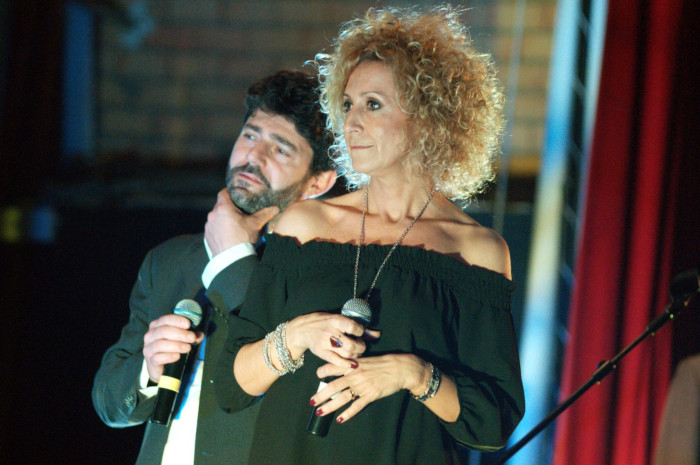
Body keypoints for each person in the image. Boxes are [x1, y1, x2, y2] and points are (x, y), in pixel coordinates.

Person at [214, 6, 525, 464]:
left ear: (428, 115)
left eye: (372, 104)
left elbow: (493, 423)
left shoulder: (475, 250)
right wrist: (297, 334)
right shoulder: (303, 226)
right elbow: (231, 387)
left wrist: (413, 374)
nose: (352, 123)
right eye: (348, 105)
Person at [91, 69, 337, 465]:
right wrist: (147, 371)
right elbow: (108, 403)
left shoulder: (324, 273)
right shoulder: (171, 260)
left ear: (318, 182)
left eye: (280, 150)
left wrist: (231, 259)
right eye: (250, 136)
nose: (253, 157)